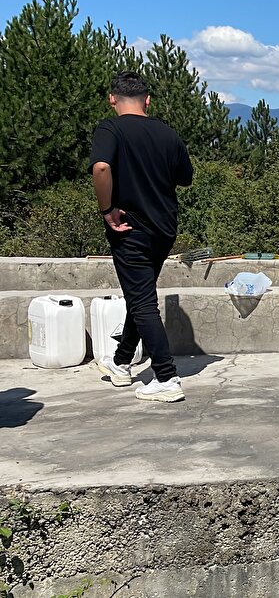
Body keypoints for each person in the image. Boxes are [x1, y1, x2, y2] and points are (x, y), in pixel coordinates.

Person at [90, 71, 194, 403]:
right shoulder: (168, 133)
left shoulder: (110, 129)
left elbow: (101, 168)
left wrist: (107, 209)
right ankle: (121, 362)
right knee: (141, 294)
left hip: (129, 227)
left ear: (112, 99)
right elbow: (185, 178)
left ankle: (166, 377)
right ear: (147, 100)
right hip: (164, 228)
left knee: (142, 300)